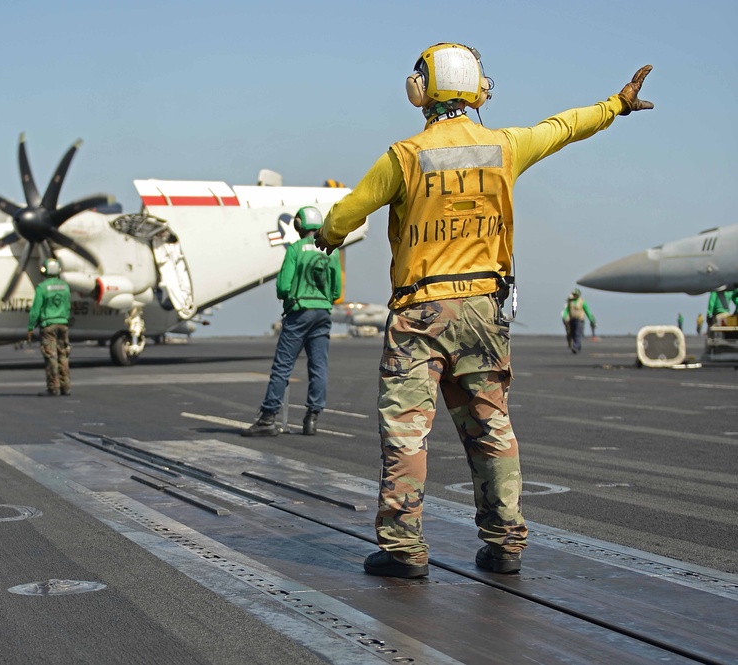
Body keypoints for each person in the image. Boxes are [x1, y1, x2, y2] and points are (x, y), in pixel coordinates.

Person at [314, 42, 653, 578]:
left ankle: (404, 549)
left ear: (419, 91)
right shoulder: (505, 146)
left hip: (420, 314)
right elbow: (563, 126)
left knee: (406, 431)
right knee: (491, 427)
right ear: (477, 91)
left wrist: (328, 236)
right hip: (482, 312)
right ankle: (505, 544)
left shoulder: (403, 157)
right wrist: (617, 104)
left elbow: (347, 213)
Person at [242, 206, 342, 437]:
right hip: (323, 313)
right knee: (319, 367)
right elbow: (336, 290)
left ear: (300, 225)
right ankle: (312, 419)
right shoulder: (332, 252)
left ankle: (268, 418)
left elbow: (283, 287)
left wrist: (292, 295)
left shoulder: (295, 249)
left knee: (282, 367)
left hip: (299, 313)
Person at [28, 257, 71, 396]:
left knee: (51, 356)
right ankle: (65, 387)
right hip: (63, 324)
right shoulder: (65, 287)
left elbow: (35, 310)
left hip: (48, 326)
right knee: (63, 355)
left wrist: (30, 327)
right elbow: (68, 306)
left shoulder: (42, 287)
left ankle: (54, 388)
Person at [562, 288, 597, 354]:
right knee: (572, 334)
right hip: (572, 320)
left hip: (579, 320)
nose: (574, 295)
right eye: (574, 294)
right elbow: (567, 310)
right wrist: (564, 316)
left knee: (577, 334)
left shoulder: (582, 302)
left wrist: (591, 319)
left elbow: (587, 311)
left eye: (575, 294)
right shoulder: (570, 302)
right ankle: (578, 346)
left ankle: (575, 346)